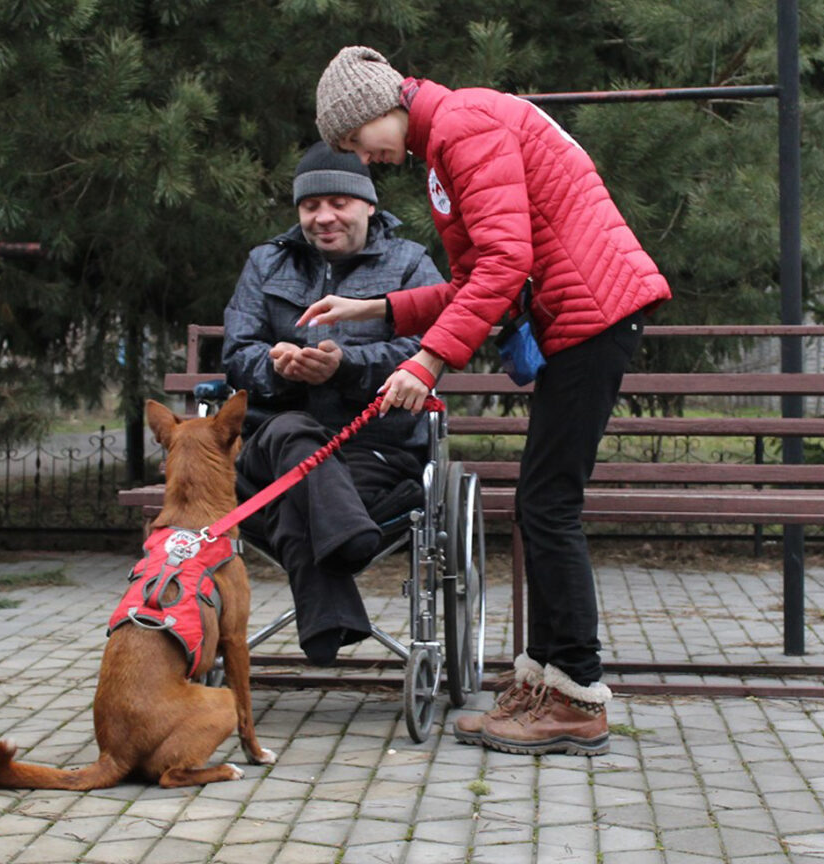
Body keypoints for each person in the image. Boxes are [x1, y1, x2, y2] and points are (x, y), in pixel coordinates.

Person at [299, 46, 672, 754]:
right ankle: (550, 682)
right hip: (579, 320)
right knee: (540, 503)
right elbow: (479, 282)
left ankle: (576, 698)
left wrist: (430, 361)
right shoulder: (449, 142)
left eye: (355, 141)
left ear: (382, 107)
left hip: (591, 316)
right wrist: (374, 309)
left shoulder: (465, 127)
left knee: (548, 504)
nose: (361, 157)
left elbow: (506, 265)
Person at [222, 141, 443, 667]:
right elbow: (237, 352)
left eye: (338, 203)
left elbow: (429, 348)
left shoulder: (411, 263)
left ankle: (328, 620)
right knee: (294, 431)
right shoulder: (265, 263)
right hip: (272, 444)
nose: (323, 217)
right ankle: (343, 560)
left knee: (303, 496)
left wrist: (345, 366)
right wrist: (275, 367)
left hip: (373, 450)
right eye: (310, 206)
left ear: (368, 204)